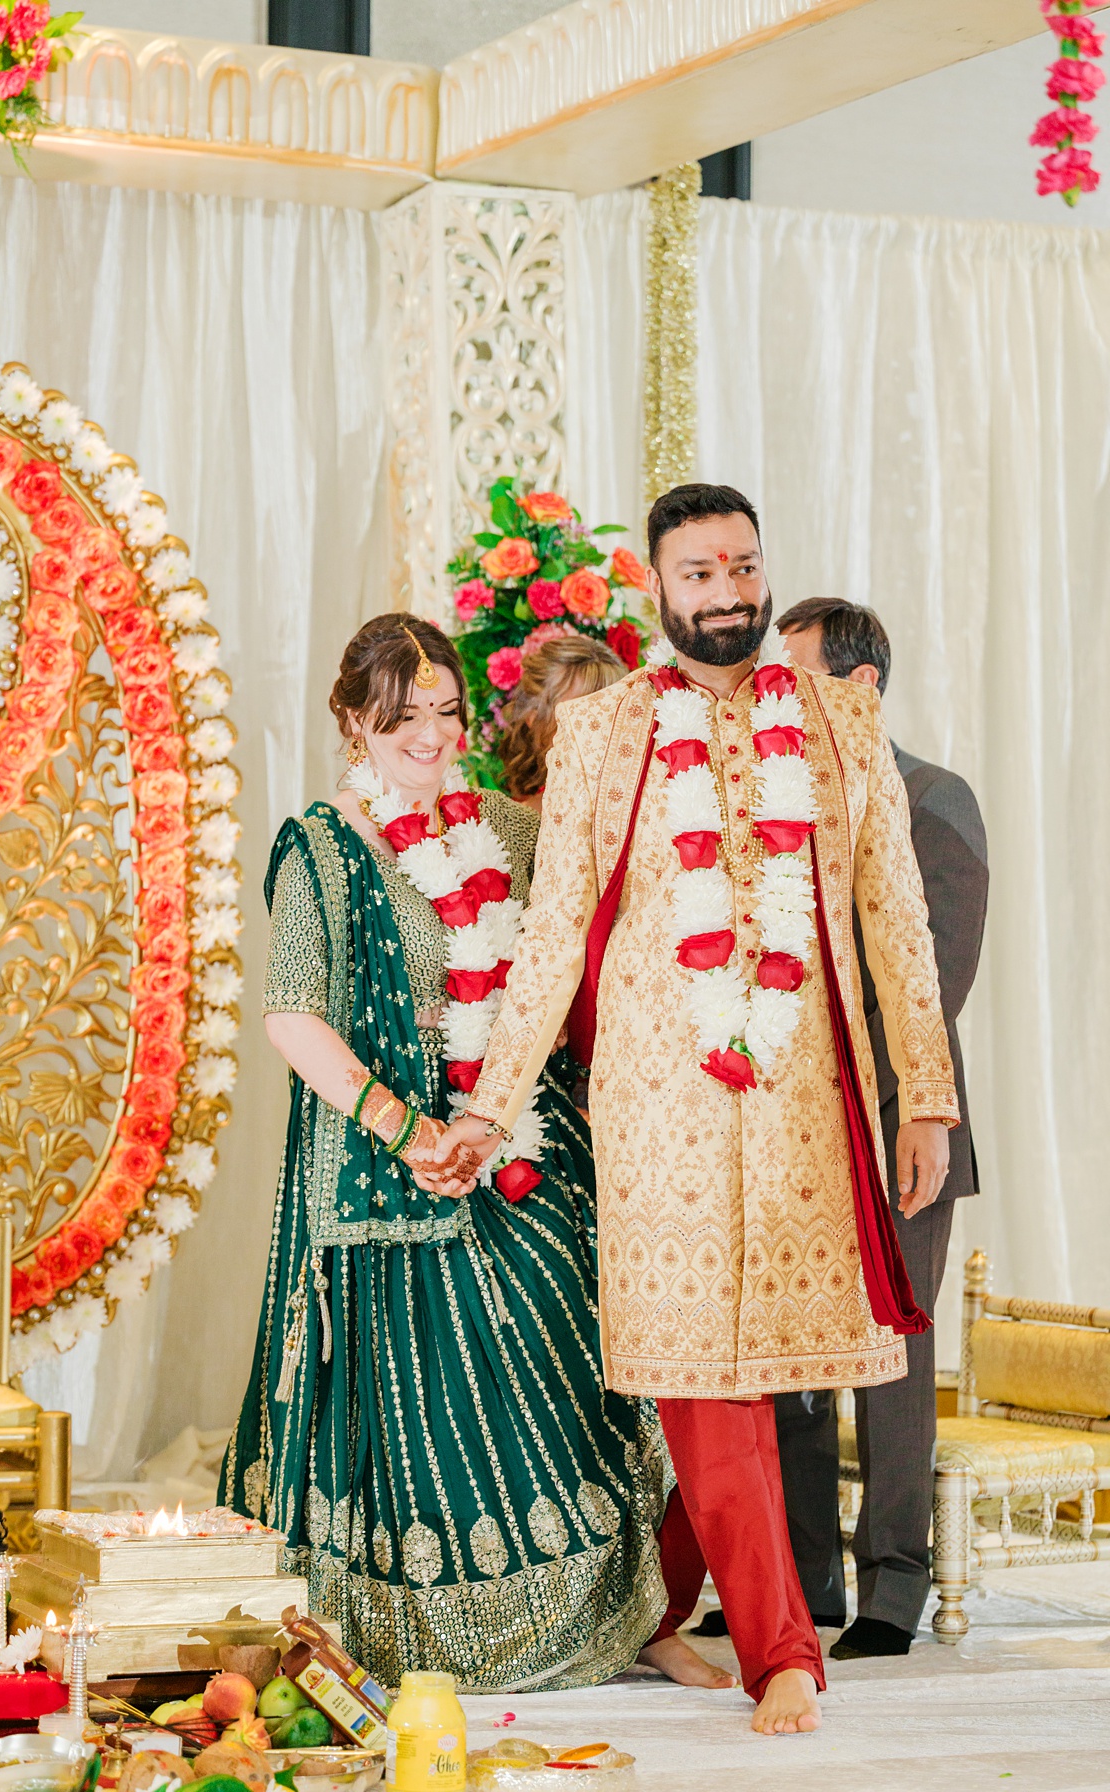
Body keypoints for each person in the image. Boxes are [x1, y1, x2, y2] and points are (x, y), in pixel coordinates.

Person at [429, 484, 961, 1735]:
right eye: (698, 572)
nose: (726, 591)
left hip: (797, 1106)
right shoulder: (607, 730)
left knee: (758, 1368)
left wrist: (922, 1100)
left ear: (763, 570)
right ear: (656, 589)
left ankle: (649, 1611)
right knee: (695, 1375)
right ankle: (785, 1648)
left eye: (742, 565)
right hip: (656, 1108)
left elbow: (897, 921)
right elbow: (555, 933)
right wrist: (490, 1110)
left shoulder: (840, 726)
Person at [218, 614, 720, 1694]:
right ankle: (409, 1637)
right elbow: (293, 1015)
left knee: (578, 1375)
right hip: (386, 1168)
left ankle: (630, 1619)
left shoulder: (506, 825)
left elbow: (596, 933)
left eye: (446, 711)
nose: (431, 734)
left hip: (524, 1153)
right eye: (404, 716)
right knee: (425, 1414)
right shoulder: (319, 844)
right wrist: (410, 1126)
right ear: (354, 720)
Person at [762, 597, 988, 1659]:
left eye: (795, 676)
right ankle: (804, 1585)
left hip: (906, 1118)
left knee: (892, 1354)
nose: (776, 696)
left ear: (857, 686)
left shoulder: (935, 799)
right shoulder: (774, 801)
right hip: (790, 1125)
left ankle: (895, 1585)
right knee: (793, 1354)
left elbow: (934, 987)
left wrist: (923, 1115)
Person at [496, 634, 627, 811]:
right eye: (582, 716)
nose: (601, 731)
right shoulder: (515, 825)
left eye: (614, 714)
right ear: (534, 719)